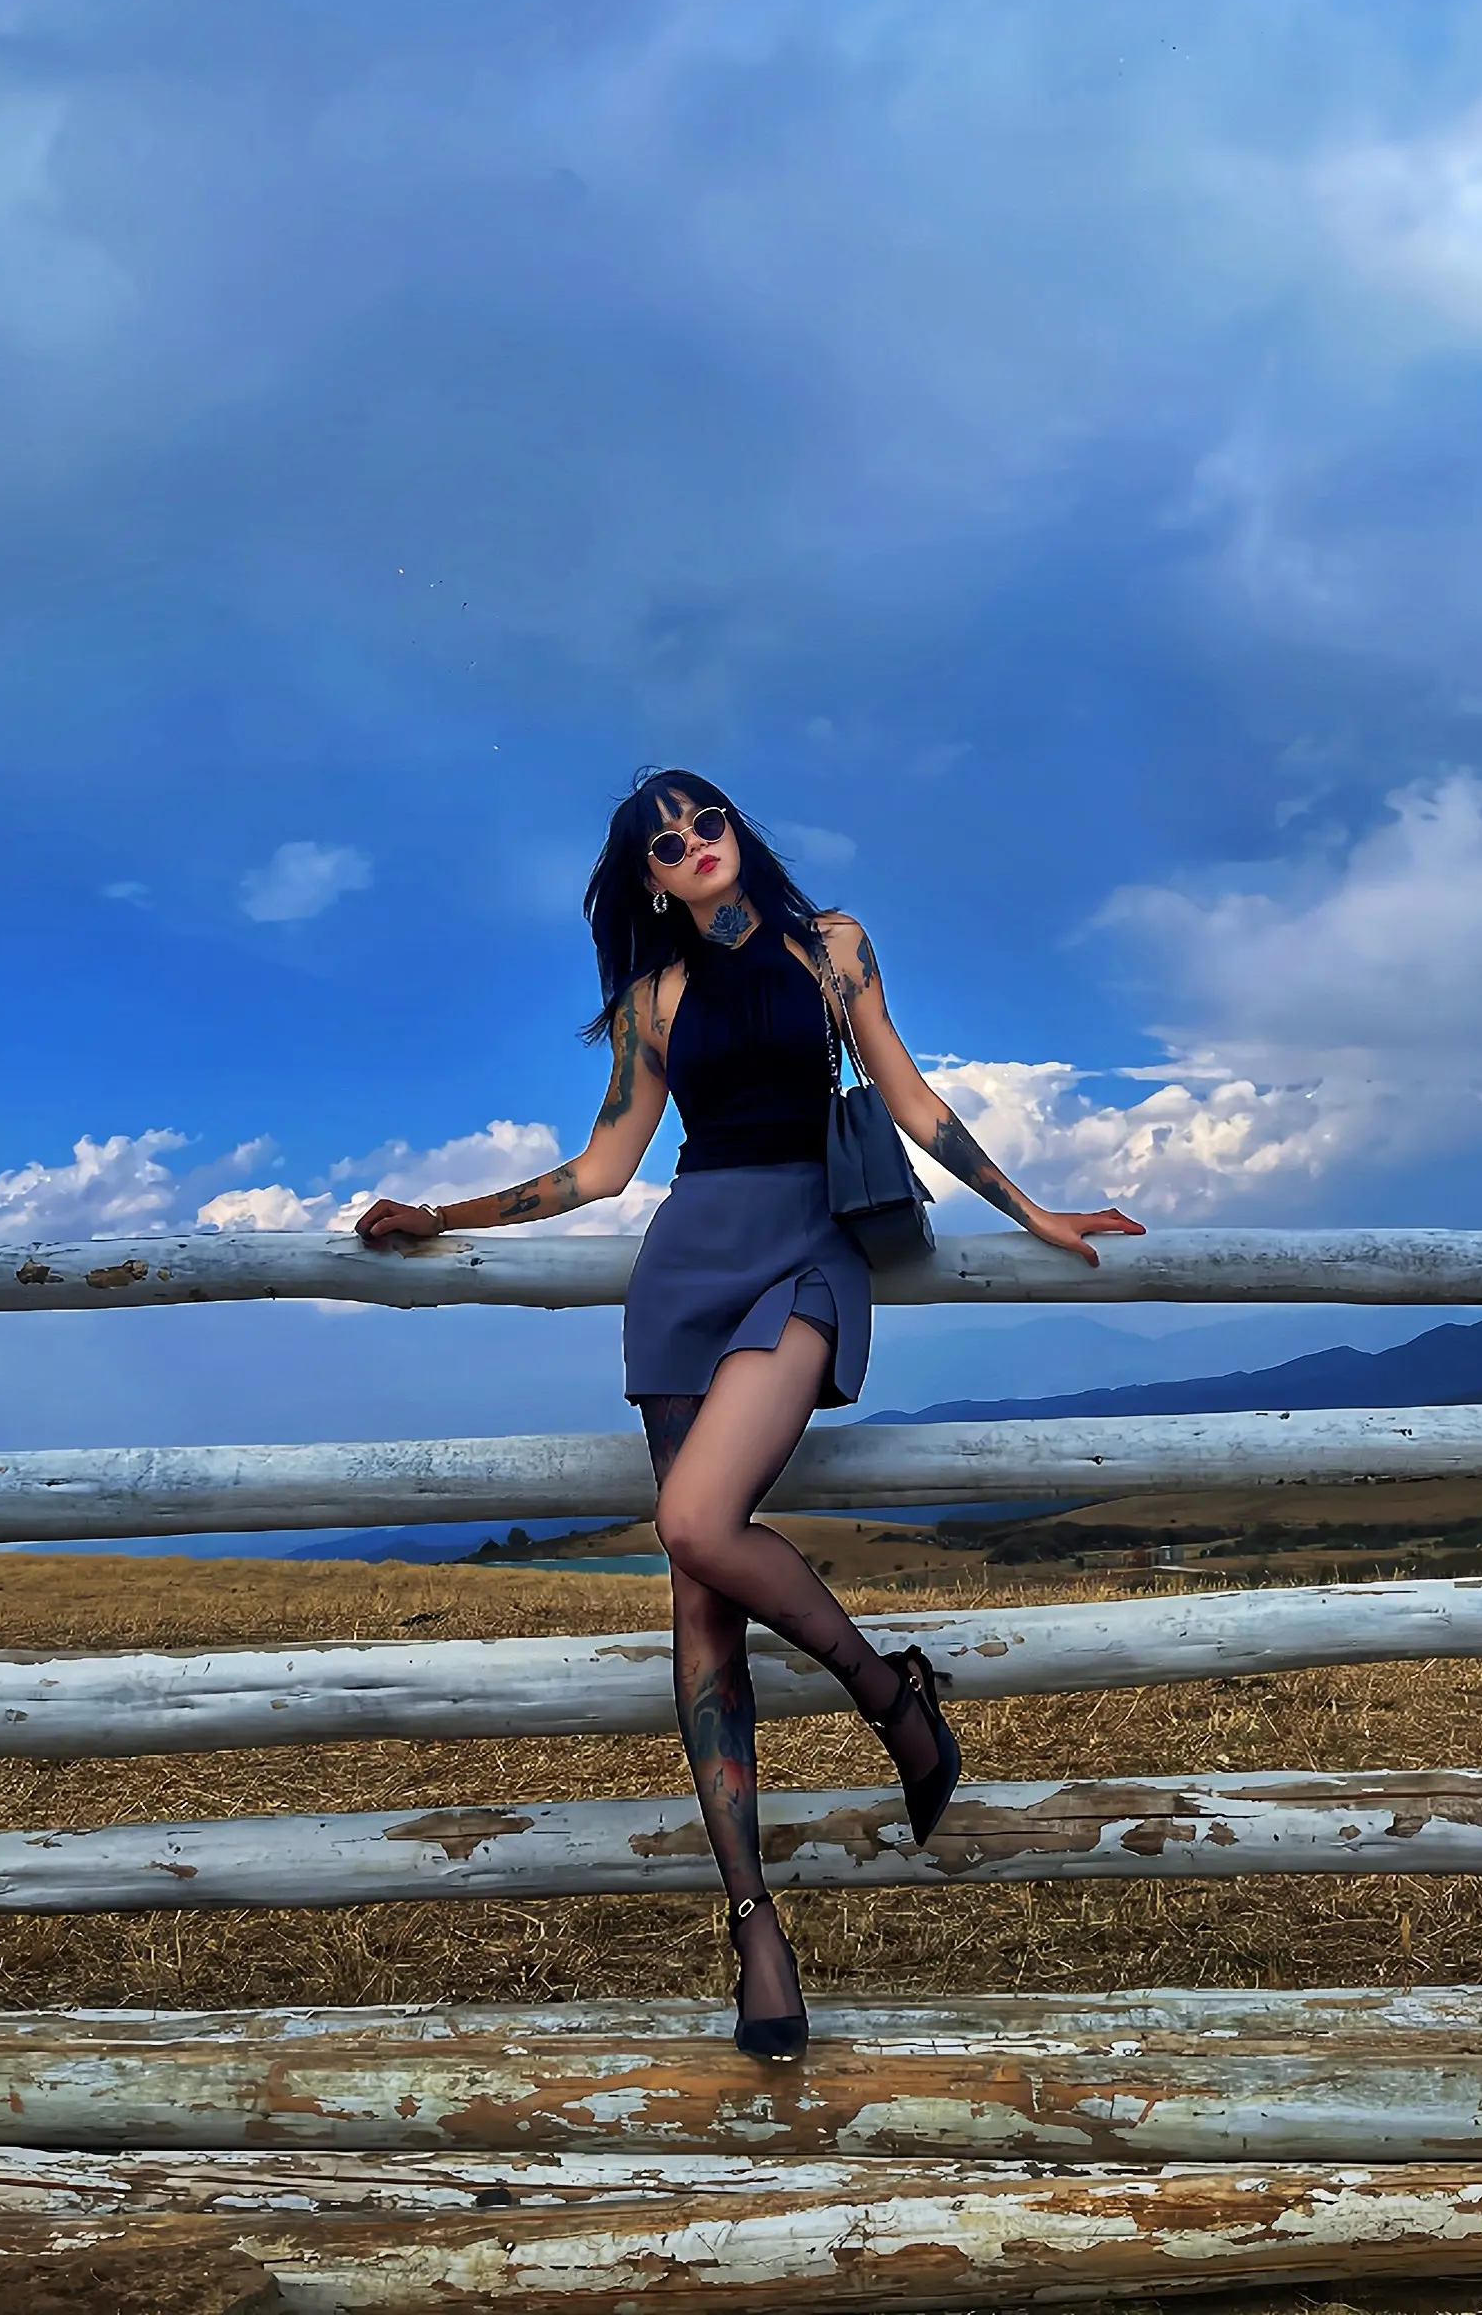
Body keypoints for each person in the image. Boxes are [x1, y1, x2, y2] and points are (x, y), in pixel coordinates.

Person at [357, 768, 1144, 2060]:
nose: (693, 845)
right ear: (649, 880)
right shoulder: (653, 1000)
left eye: (705, 822)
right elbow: (604, 1166)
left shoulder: (833, 946)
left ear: (735, 829)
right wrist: (440, 1216)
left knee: (695, 1521)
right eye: (665, 844)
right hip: (686, 1275)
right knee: (700, 1601)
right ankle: (754, 1924)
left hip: (806, 1255)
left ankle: (887, 1691)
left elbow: (911, 1100)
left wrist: (1034, 1209)